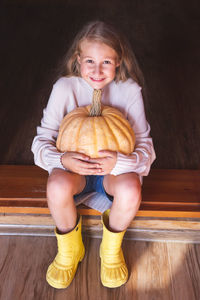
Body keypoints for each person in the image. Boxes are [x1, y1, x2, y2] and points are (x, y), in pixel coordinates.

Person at [32, 20, 156, 289]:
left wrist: (119, 162)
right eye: (90, 61)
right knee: (56, 185)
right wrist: (62, 160)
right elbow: (40, 142)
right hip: (73, 172)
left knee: (132, 189)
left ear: (119, 62)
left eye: (106, 63)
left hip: (113, 173)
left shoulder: (130, 91)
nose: (97, 71)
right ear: (77, 60)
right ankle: (69, 249)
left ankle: (110, 252)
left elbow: (146, 149)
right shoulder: (65, 88)